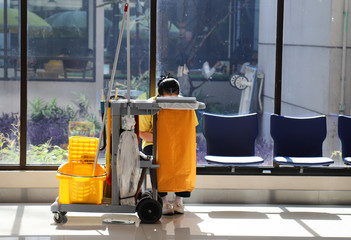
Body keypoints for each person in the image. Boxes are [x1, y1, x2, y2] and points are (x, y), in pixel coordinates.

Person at [139, 74, 198, 215]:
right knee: (159, 160)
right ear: (158, 95)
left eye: (175, 98)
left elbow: (190, 128)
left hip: (178, 142)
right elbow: (142, 133)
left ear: (178, 95)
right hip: (154, 143)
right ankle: (164, 201)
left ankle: (179, 200)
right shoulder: (150, 105)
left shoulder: (186, 104)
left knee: (183, 159)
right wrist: (165, 139)